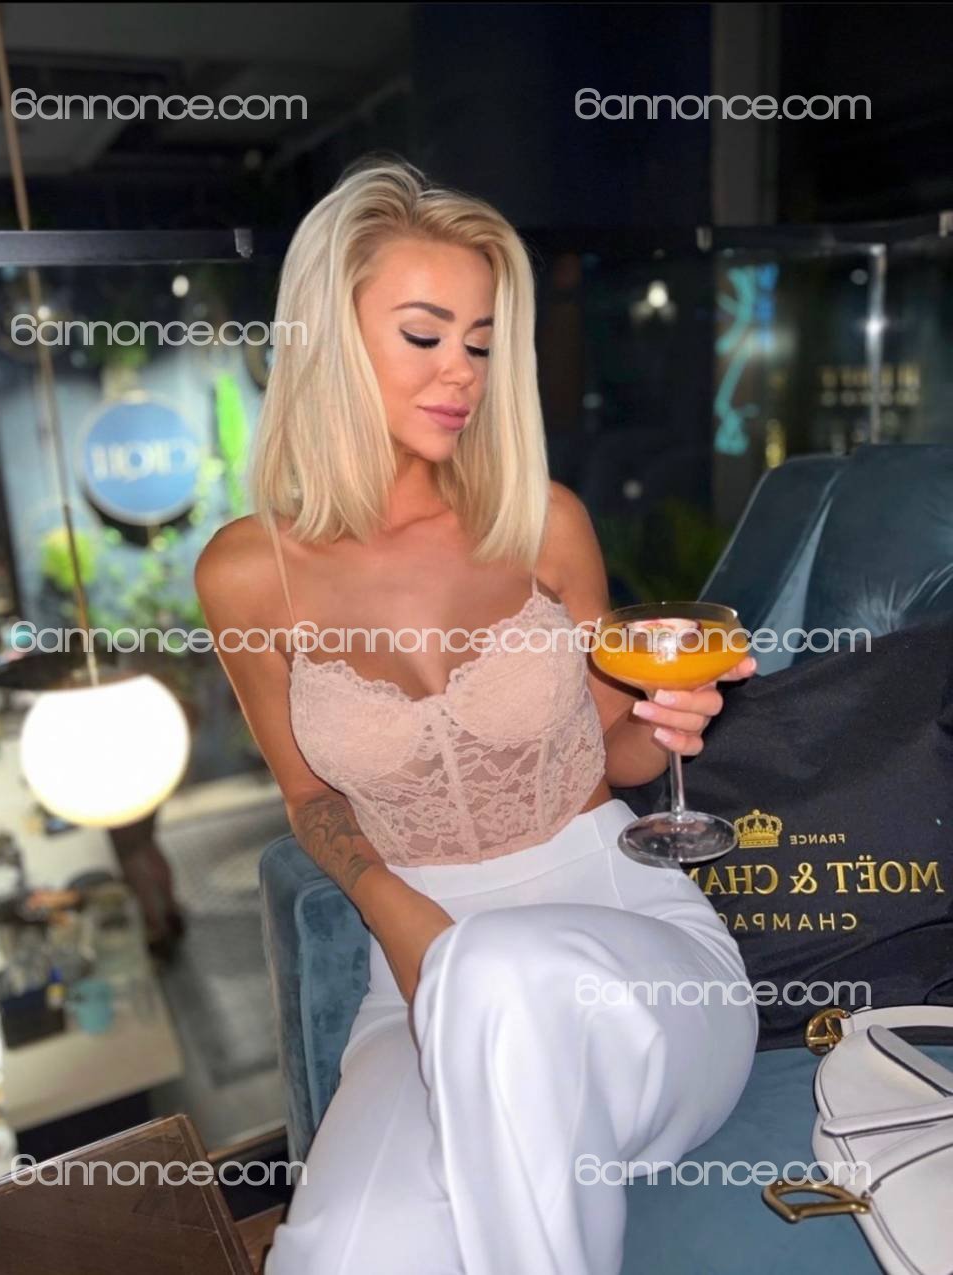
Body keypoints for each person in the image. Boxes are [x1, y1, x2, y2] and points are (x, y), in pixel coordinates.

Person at [195, 156, 759, 1275]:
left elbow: (617, 751)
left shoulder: (541, 522)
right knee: (336, 1256)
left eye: (482, 342)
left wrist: (670, 722)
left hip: (628, 952)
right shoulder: (246, 575)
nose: (462, 371)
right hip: (412, 974)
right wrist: (398, 914)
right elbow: (308, 797)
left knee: (497, 971)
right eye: (424, 334)